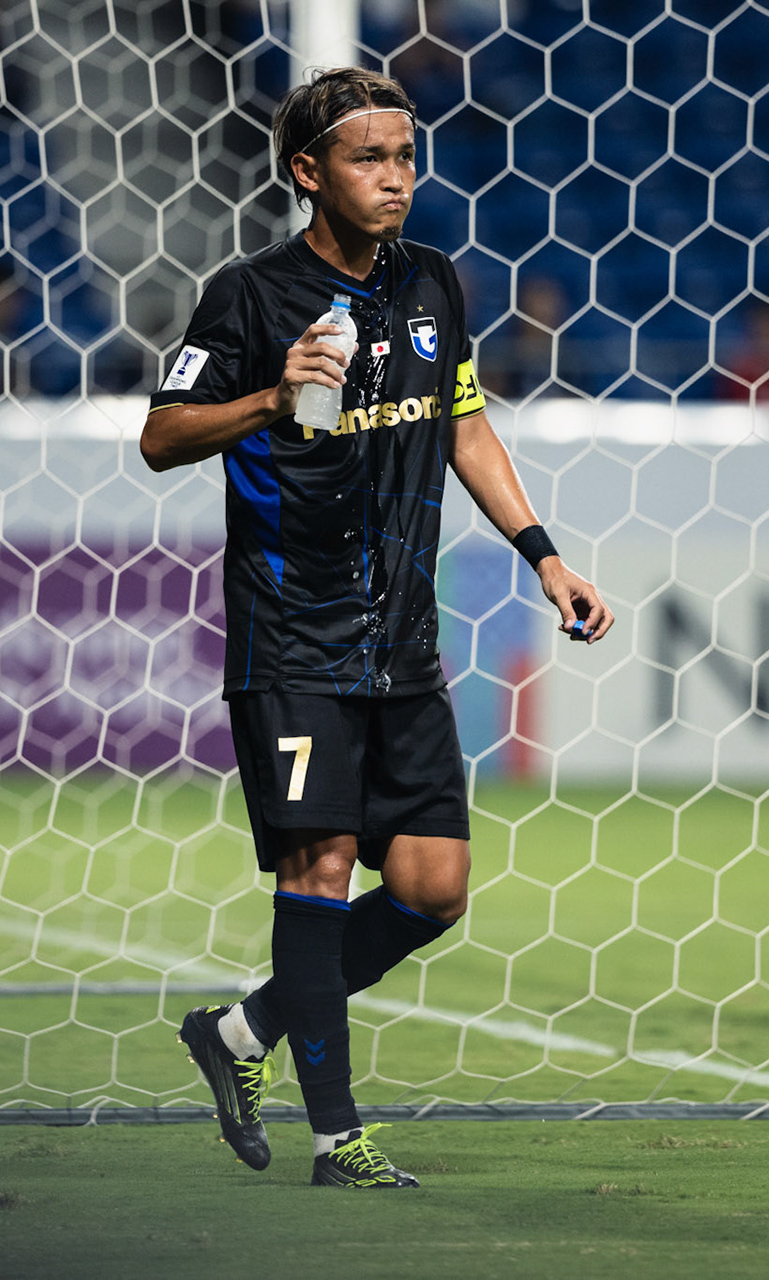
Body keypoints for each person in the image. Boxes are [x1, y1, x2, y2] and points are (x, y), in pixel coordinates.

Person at [139, 67, 613, 1187]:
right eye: (370, 158)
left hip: (402, 641)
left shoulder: (432, 281)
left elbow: (464, 425)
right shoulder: (250, 295)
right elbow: (161, 436)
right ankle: (335, 1138)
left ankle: (241, 1032)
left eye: (405, 156)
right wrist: (270, 396)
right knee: (321, 868)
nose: (397, 177)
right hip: (292, 638)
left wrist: (544, 554)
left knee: (434, 886)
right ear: (308, 172)